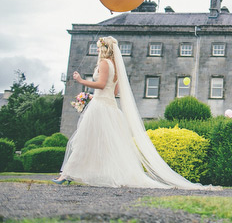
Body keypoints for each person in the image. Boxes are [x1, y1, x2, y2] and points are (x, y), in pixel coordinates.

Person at [54, 36, 220, 190]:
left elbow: (102, 84)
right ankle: (71, 173)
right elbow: (114, 90)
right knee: (99, 142)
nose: (97, 50)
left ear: (105, 49)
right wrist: (91, 95)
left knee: (85, 139)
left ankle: (68, 174)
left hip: (100, 108)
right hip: (108, 106)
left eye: (98, 47)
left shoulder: (104, 63)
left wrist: (81, 81)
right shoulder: (116, 66)